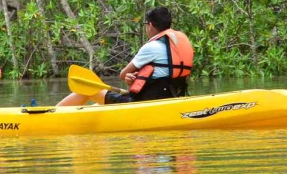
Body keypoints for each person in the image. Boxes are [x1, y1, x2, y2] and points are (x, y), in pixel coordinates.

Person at [58, 6, 194, 106]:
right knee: (98, 105)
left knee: (85, 90)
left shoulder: (151, 47)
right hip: (172, 98)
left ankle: (50, 114)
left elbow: (123, 74)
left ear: (150, 25)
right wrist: (133, 78)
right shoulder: (177, 46)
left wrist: (129, 77)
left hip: (144, 102)